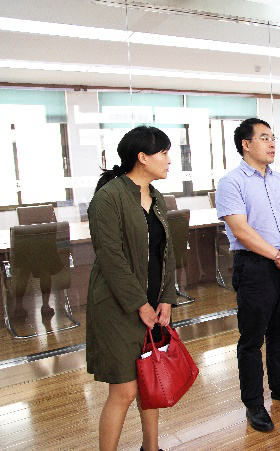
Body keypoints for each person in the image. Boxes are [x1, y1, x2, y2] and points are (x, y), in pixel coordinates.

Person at [216, 118, 280, 433]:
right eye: (264, 137)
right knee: (252, 339)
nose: (272, 144)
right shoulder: (231, 182)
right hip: (255, 266)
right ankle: (254, 403)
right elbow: (241, 231)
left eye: (273, 138)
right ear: (246, 144)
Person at [87, 126, 177, 451]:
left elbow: (166, 251)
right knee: (124, 390)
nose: (169, 160)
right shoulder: (109, 197)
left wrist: (166, 298)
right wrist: (140, 303)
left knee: (150, 380)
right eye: (163, 153)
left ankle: (151, 448)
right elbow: (110, 258)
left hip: (152, 303)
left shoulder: (156, 197)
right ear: (142, 157)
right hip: (118, 305)